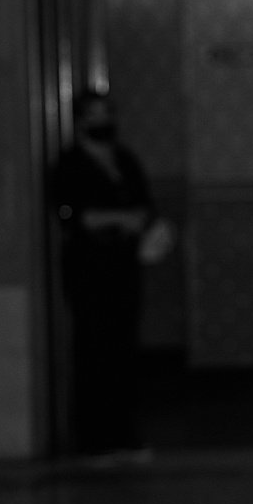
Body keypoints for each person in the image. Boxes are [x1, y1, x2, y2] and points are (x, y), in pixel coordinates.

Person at [54, 91, 158, 457]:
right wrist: (117, 218)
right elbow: (76, 215)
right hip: (90, 272)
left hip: (123, 269)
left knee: (123, 353)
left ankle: (124, 435)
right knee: (94, 352)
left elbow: (146, 206)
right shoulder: (70, 164)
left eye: (107, 113)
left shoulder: (123, 159)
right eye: (95, 115)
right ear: (81, 120)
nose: (104, 122)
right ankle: (95, 440)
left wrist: (139, 224)